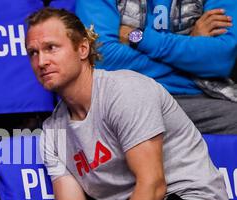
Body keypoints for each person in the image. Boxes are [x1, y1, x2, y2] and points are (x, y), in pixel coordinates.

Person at [0, 8, 232, 200]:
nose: (41, 61)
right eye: (33, 53)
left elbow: (153, 185)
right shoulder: (53, 130)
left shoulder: (125, 90)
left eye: (51, 48)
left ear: (82, 48)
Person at [75, 0, 237, 134]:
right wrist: (191, 50)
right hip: (126, 98)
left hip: (201, 99)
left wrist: (139, 37)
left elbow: (221, 57)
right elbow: (103, 57)